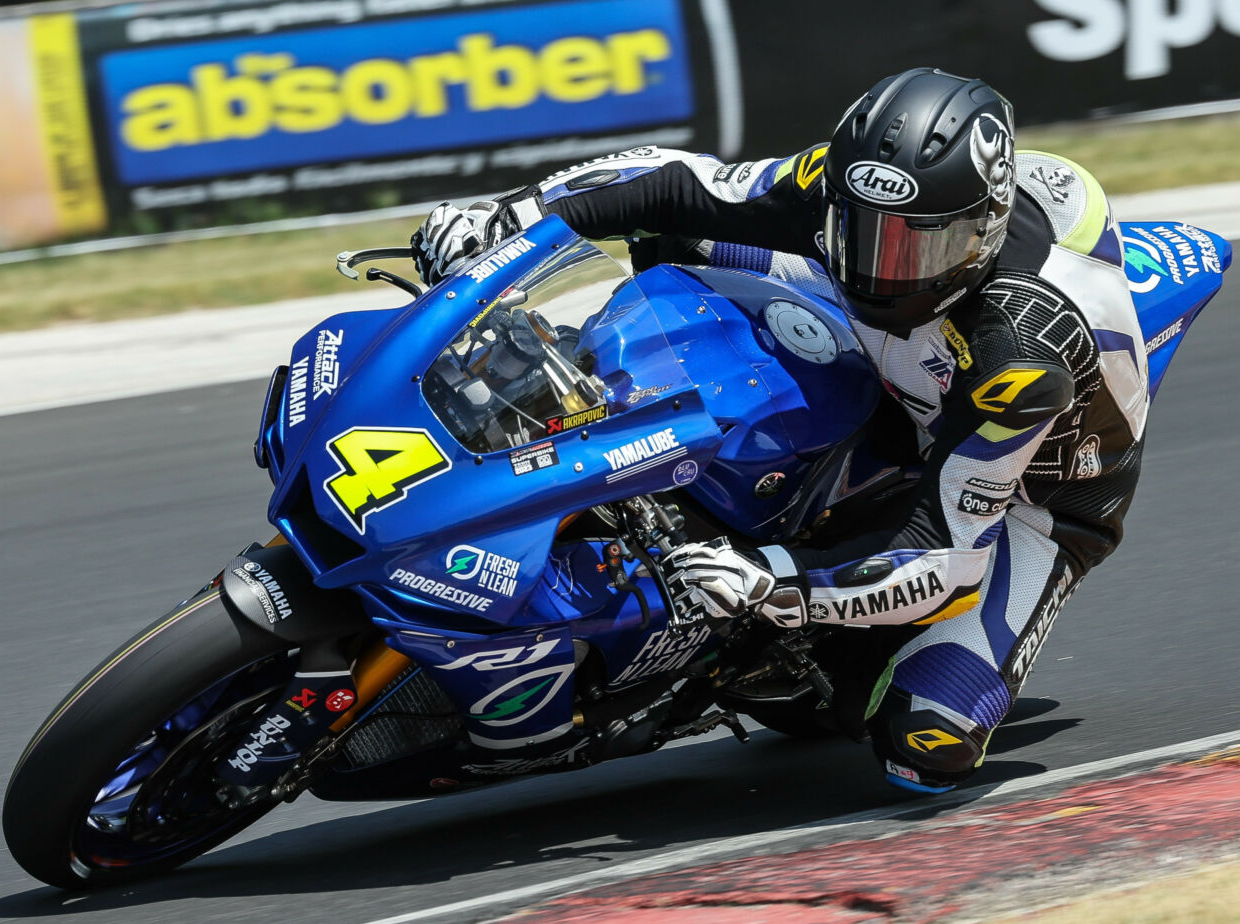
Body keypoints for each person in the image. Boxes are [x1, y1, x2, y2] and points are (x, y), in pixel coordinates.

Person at [410, 69, 1150, 792]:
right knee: (670, 233)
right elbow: (679, 181)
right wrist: (508, 220)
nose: (878, 268)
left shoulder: (1020, 355)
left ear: (979, 236)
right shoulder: (843, 187)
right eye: (860, 232)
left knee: (925, 743)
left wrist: (777, 583)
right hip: (889, 357)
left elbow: (944, 554)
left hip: (1031, 497)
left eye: (912, 249)